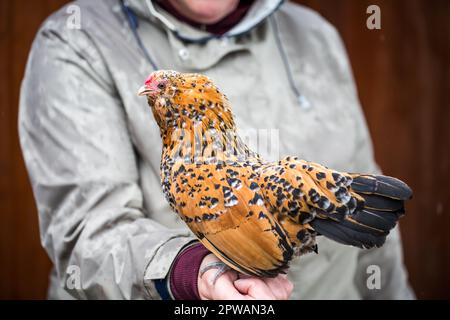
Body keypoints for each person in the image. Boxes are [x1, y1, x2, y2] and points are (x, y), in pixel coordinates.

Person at [19, 0, 414, 300]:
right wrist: (193, 271)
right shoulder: (79, 38)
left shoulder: (315, 36)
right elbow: (86, 231)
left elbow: (372, 232)